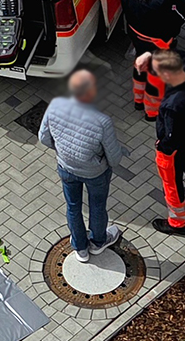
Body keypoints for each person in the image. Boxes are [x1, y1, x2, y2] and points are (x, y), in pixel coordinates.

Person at [38, 70, 124, 262]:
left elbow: (43, 138)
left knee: (73, 207)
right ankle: (99, 242)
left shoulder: (55, 107)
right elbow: (114, 158)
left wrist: (63, 153)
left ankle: (80, 248)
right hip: (96, 173)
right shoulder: (102, 121)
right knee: (97, 207)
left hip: (66, 168)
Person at [135, 50, 185, 236]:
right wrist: (151, 56)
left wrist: (162, 147)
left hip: (173, 148)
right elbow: (183, 55)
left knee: (171, 183)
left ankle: (178, 222)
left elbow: (170, 136)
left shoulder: (173, 105)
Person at [119, 0, 185, 120]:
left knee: (140, 65)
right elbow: (178, 19)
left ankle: (138, 100)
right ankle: (151, 112)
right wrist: (183, 1)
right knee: (155, 75)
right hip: (157, 43)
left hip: (136, 36)